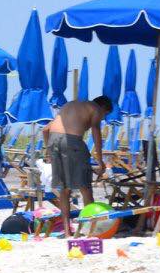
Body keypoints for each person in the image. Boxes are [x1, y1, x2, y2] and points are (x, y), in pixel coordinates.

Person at [45, 96, 114, 234]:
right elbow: (96, 132)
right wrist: (100, 160)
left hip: (53, 141)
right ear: (103, 108)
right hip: (72, 142)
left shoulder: (70, 105)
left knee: (64, 189)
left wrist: (49, 152)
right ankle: (91, 228)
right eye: (105, 115)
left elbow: (45, 130)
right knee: (85, 187)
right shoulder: (95, 108)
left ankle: (67, 231)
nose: (103, 118)